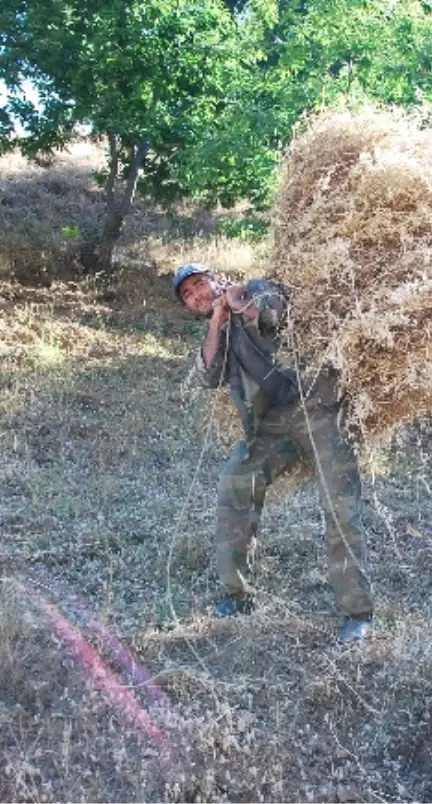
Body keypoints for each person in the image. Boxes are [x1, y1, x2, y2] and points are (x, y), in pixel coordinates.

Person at [171, 263, 374, 643]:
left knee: (339, 504)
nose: (197, 294)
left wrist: (240, 301)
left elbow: (276, 311)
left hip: (317, 410)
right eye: (188, 295)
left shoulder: (256, 287)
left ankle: (358, 611)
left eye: (200, 284)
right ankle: (238, 593)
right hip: (270, 426)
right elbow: (207, 374)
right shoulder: (221, 330)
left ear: (216, 278)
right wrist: (217, 318)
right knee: (235, 483)